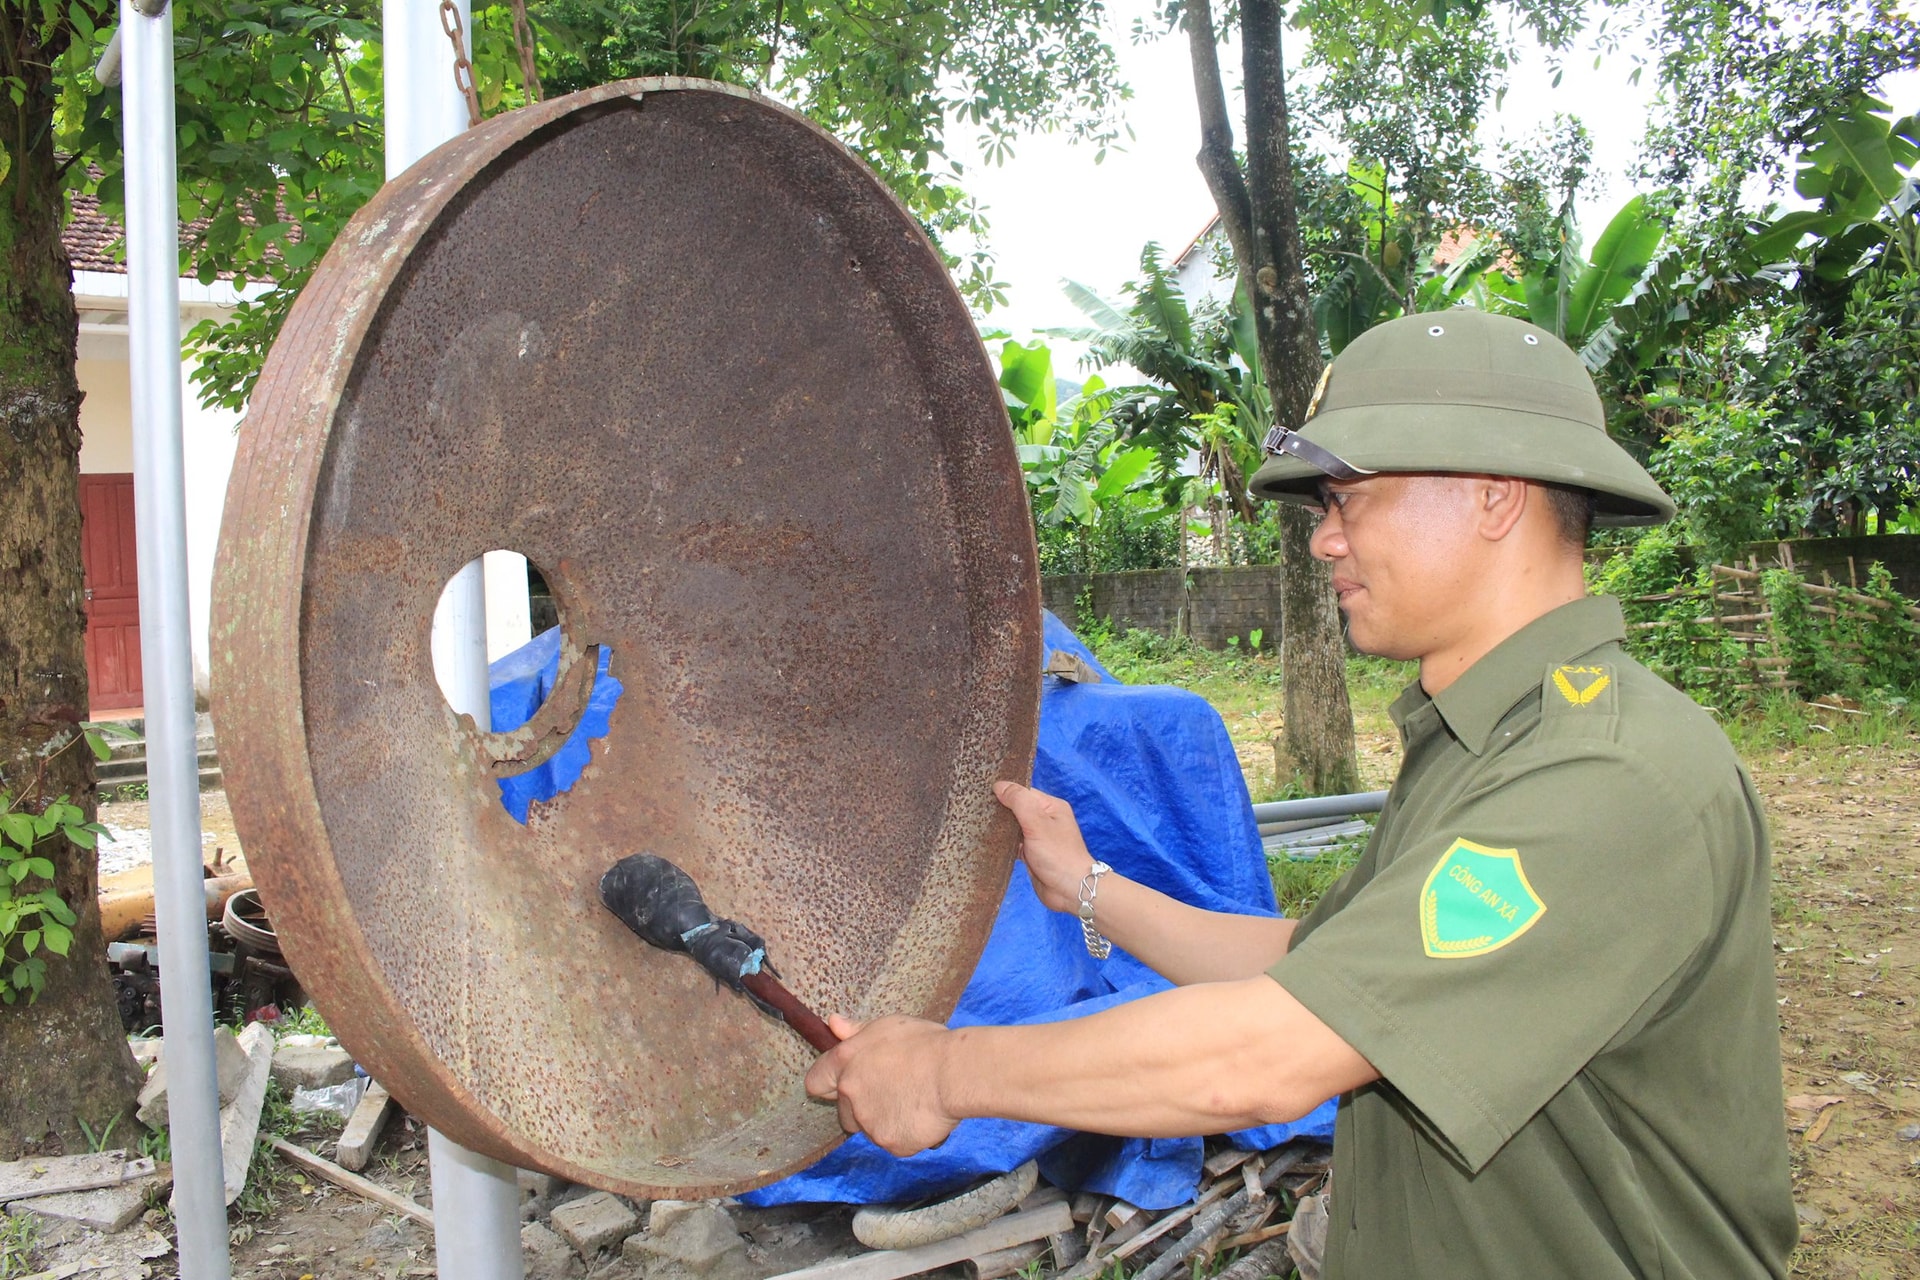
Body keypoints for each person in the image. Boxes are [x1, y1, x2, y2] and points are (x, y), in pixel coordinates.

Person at [806, 310, 1797, 1278]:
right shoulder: (1485, 736)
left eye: (1349, 497)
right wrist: (1087, 885)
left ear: (1494, 496)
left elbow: (1270, 1050)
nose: (1325, 539)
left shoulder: (1603, 775)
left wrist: (943, 1072)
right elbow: (1314, 964)